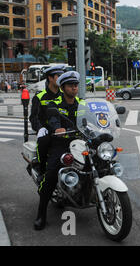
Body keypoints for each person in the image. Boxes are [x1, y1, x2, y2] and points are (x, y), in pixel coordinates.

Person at [34, 71, 85, 230]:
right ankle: (41, 214)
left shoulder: (82, 103)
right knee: (50, 177)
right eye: (70, 85)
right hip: (61, 143)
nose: (74, 88)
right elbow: (53, 119)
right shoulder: (54, 104)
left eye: (76, 85)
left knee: (102, 161)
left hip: (81, 143)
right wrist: (57, 128)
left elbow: (89, 120)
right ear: (63, 88)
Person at [29, 65, 65, 176]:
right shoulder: (39, 97)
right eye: (58, 76)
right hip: (48, 131)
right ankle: (42, 169)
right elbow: (33, 117)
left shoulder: (65, 95)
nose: (61, 78)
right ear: (50, 78)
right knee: (44, 141)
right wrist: (40, 128)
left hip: (65, 130)